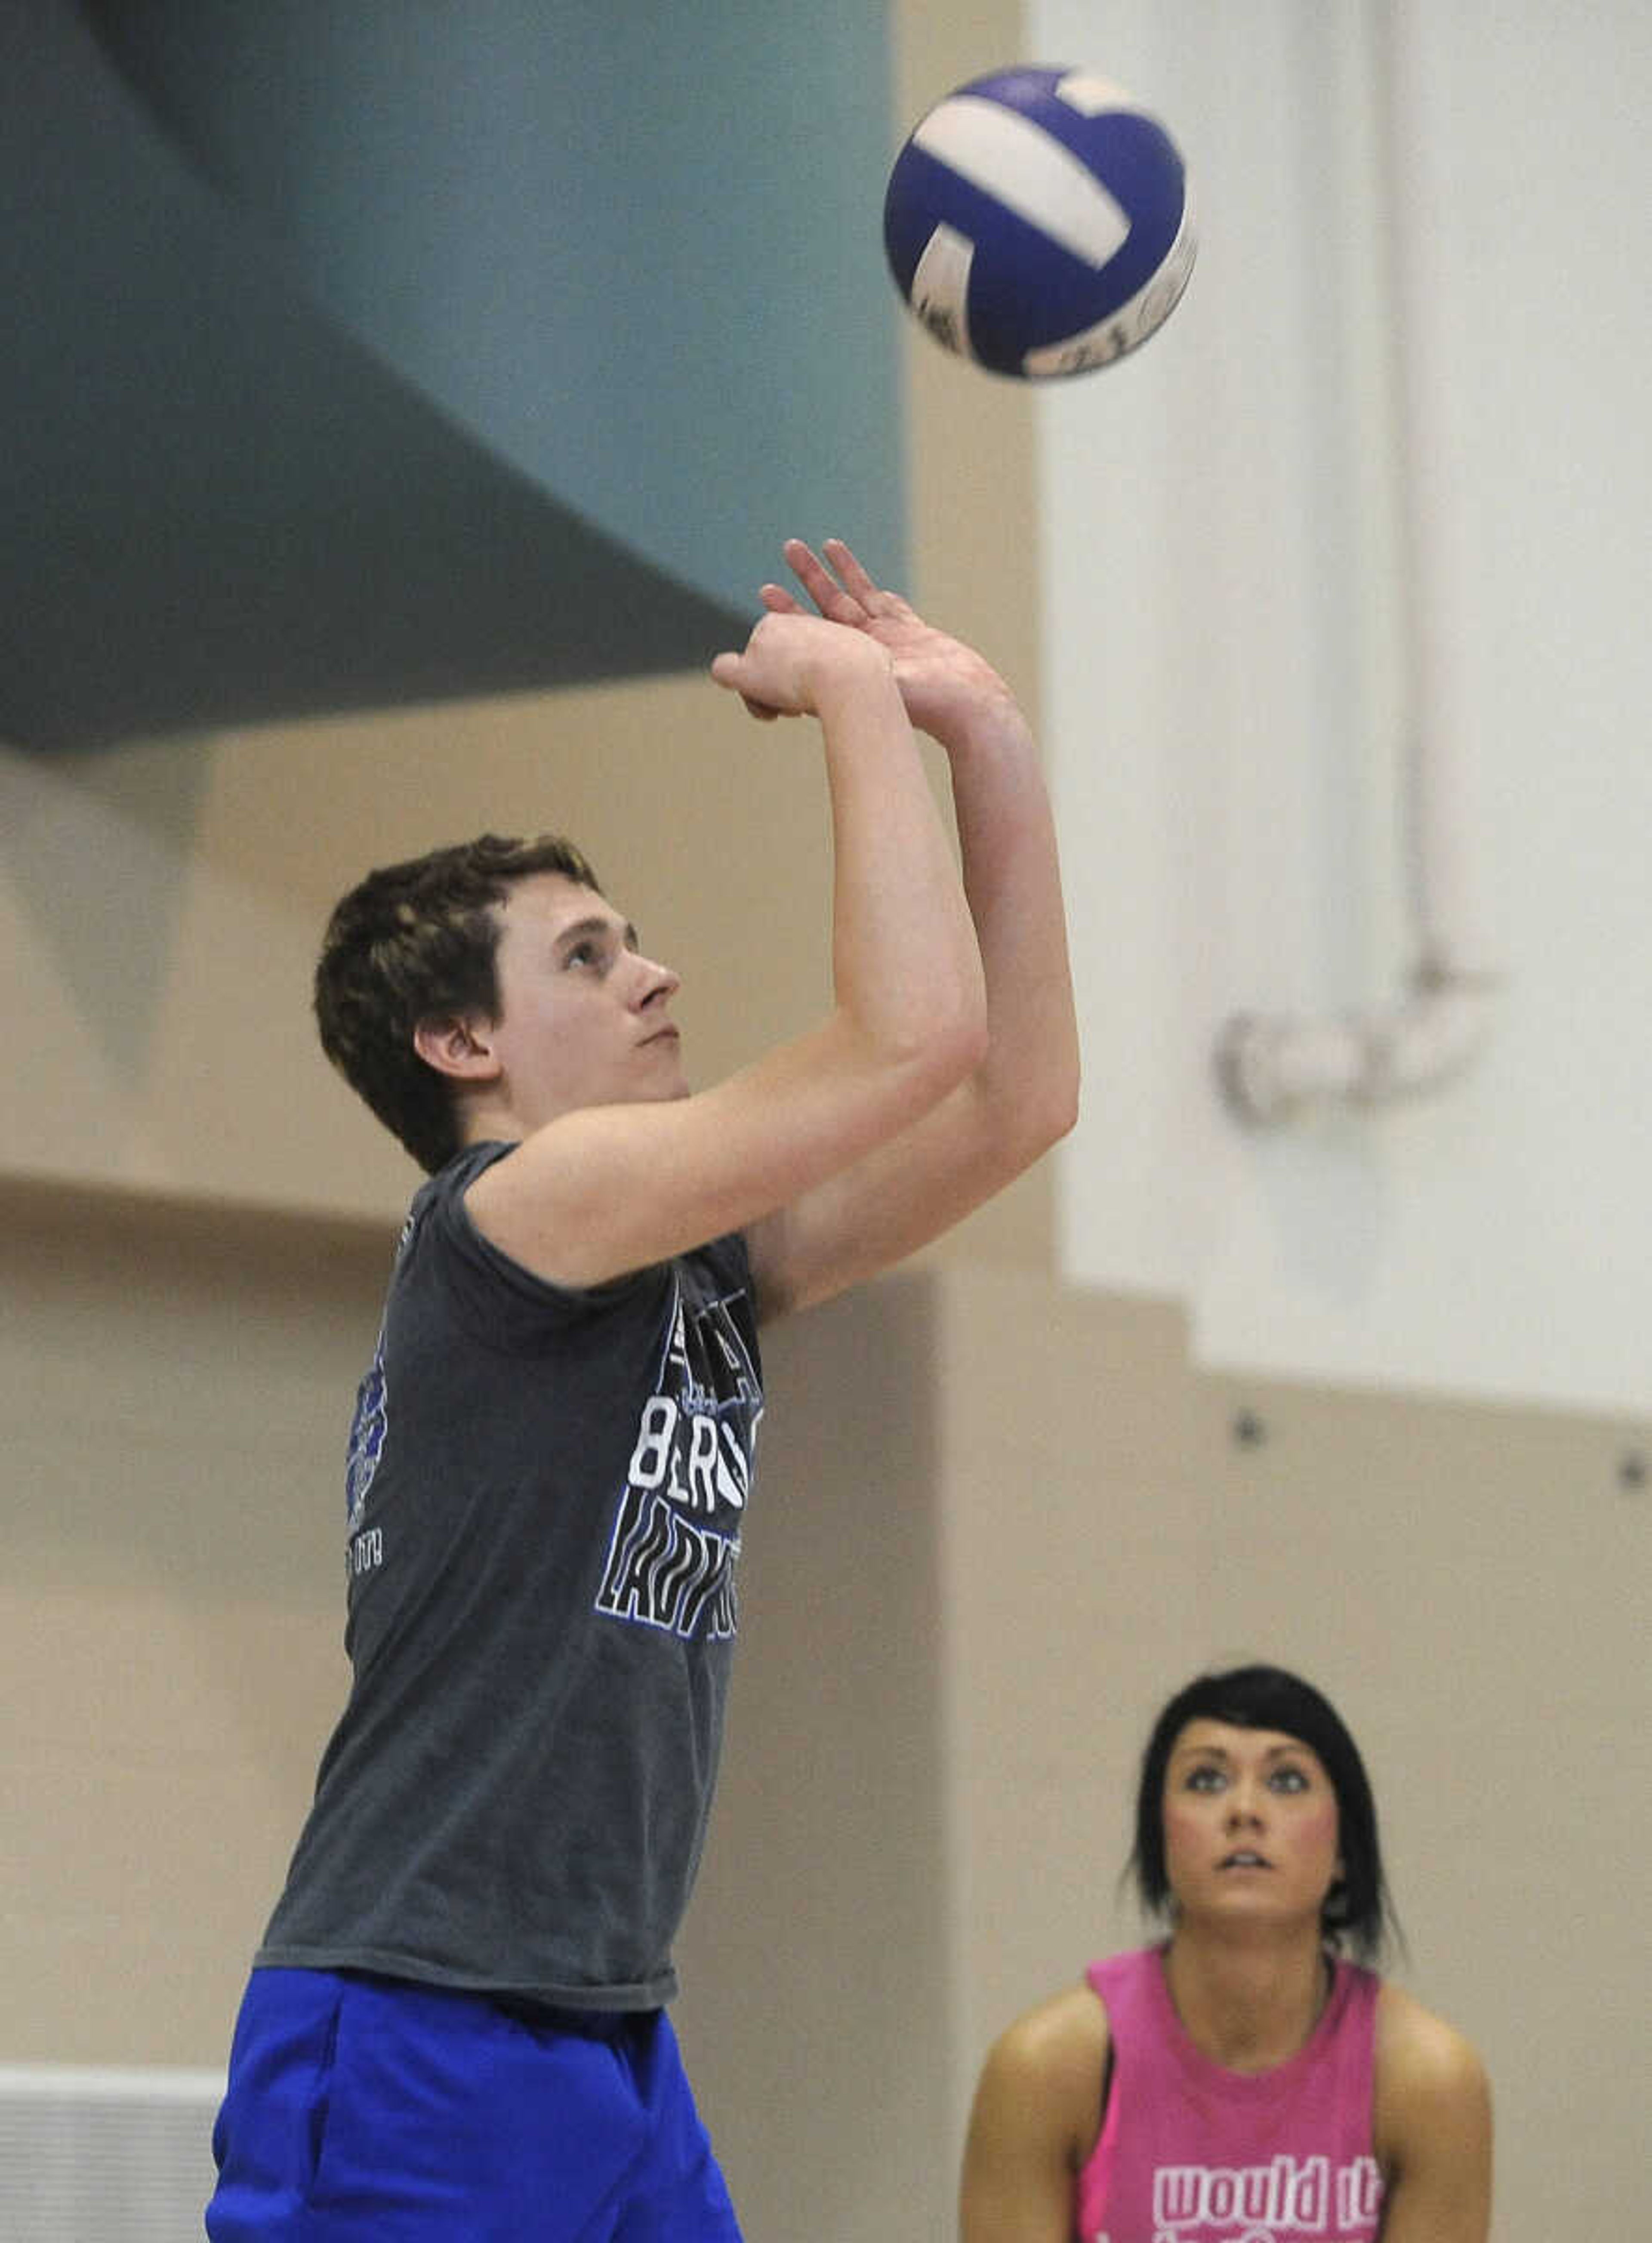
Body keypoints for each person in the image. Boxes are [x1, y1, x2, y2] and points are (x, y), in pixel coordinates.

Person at [205, 537, 1079, 2241]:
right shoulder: (511, 1211)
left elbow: (1016, 1100)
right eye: (591, 957)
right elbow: (912, 1038)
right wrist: (843, 693)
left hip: (606, 2025)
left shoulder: (680, 1261)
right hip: (414, 2024)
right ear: (465, 1045)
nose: (657, 974)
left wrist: (982, 739)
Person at [959, 1664, 1492, 2243]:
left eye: (1287, 1780)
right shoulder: (1047, 2068)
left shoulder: (1426, 2081)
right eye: (1206, 1780)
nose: (1244, 1810)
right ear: (1160, 1839)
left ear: (1344, 1849)